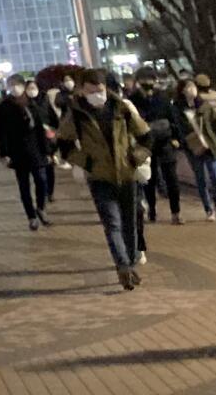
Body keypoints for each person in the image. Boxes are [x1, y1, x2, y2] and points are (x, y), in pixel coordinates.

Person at [57, 68, 151, 290]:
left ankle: (129, 261)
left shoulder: (121, 108)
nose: (97, 95)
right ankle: (123, 266)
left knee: (130, 223)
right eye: (91, 91)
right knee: (113, 223)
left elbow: (146, 136)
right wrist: (88, 163)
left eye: (100, 90)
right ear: (82, 90)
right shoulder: (77, 113)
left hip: (126, 174)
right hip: (99, 178)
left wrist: (136, 157)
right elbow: (65, 145)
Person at [0, 76, 55, 230]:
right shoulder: (4, 107)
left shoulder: (32, 104)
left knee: (41, 180)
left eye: (17, 85)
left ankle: (41, 208)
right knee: (24, 186)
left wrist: (47, 151)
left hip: (36, 149)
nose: (14, 88)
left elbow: (40, 130)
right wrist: (4, 153)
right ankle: (31, 216)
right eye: (11, 85)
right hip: (17, 151)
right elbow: (1, 132)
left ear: (23, 86)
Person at [134, 75, 184, 224]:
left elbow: (174, 119)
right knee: (149, 179)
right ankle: (152, 210)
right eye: (145, 85)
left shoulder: (162, 99)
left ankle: (176, 212)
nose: (148, 88)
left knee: (172, 180)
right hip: (146, 145)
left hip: (165, 143)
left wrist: (176, 139)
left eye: (150, 85)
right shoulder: (134, 100)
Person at [177, 75, 216, 220]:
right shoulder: (178, 109)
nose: (191, 90)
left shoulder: (205, 106)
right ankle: (208, 209)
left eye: (193, 86)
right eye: (187, 87)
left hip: (210, 145)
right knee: (200, 179)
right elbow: (179, 127)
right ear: (182, 91)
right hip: (193, 148)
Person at [29, 77, 63, 205]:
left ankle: (50, 192)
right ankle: (42, 193)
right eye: (29, 88)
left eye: (34, 87)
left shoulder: (44, 100)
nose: (32, 91)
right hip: (34, 141)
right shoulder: (24, 104)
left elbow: (53, 118)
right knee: (40, 171)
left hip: (48, 138)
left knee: (49, 168)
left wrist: (54, 132)